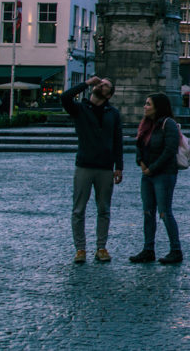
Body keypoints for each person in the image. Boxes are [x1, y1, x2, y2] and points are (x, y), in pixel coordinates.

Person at [61, 76, 124, 264]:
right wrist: (87, 83)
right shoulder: (80, 108)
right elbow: (65, 97)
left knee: (103, 209)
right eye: (101, 83)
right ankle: (80, 249)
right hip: (84, 164)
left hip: (105, 167)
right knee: (78, 209)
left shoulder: (113, 113)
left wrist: (119, 167)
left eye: (106, 85)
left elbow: (117, 141)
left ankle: (101, 247)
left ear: (109, 94)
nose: (101, 85)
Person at [130, 93, 183, 265]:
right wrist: (141, 163)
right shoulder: (145, 125)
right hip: (147, 174)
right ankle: (148, 249)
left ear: (158, 107)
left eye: (148, 104)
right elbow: (139, 145)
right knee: (148, 212)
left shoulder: (169, 125)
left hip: (164, 174)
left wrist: (152, 168)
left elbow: (170, 150)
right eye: (145, 103)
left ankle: (176, 250)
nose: (145, 106)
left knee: (164, 212)